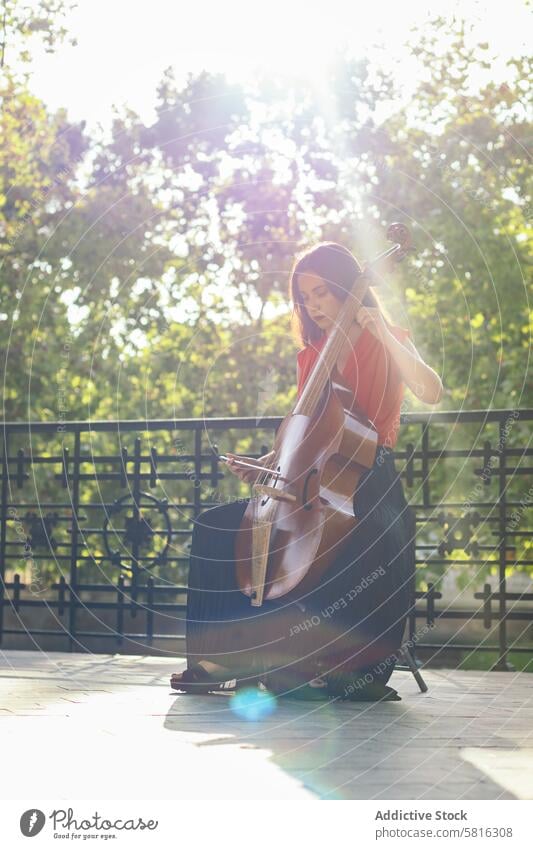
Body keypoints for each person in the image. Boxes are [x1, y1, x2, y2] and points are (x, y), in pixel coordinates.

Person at [170, 242, 443, 700]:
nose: (313, 305)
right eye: (304, 297)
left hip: (369, 476)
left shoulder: (387, 337)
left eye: (321, 292)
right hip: (309, 484)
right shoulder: (310, 357)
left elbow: (431, 390)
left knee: (367, 535)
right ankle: (219, 658)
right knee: (215, 527)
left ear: (346, 288)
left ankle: (344, 668)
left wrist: (383, 332)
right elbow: (305, 437)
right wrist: (263, 466)